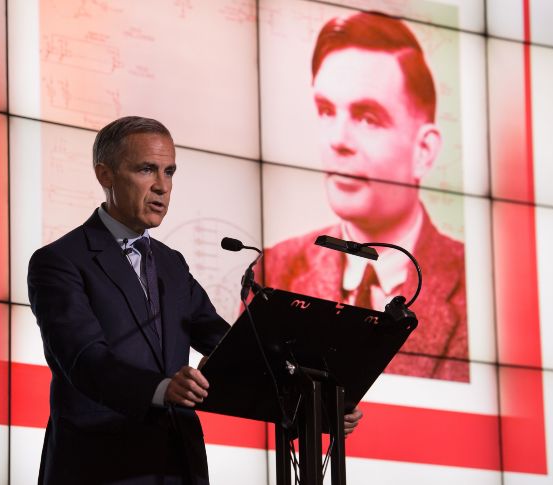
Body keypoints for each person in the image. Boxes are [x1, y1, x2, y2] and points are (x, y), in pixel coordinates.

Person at [28, 116, 363, 484]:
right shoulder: (59, 261)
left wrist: (319, 401)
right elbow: (84, 361)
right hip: (99, 466)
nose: (161, 187)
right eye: (146, 170)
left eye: (169, 172)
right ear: (105, 175)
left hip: (176, 467)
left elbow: (228, 347)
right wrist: (161, 389)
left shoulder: (171, 264)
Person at [260, 12, 469, 382]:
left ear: (425, 150)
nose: (337, 140)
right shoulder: (273, 269)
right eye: (326, 110)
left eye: (368, 118)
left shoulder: (475, 288)